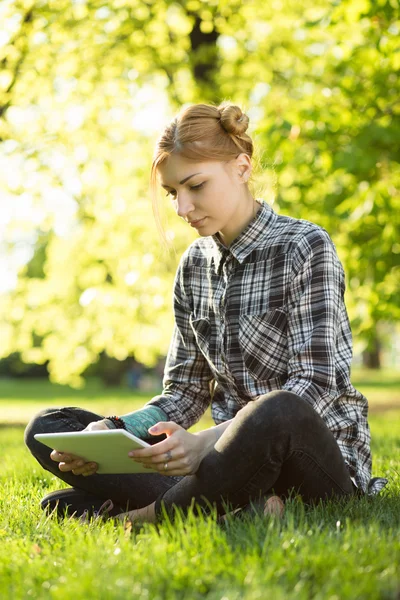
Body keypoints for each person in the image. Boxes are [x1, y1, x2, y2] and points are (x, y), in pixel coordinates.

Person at [25, 102, 387, 525]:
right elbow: (184, 393)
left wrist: (206, 443)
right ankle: (235, 508)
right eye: (173, 193)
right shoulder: (194, 267)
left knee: (276, 409)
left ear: (242, 167)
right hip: (219, 467)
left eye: (195, 185)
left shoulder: (305, 247)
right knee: (49, 426)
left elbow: (317, 386)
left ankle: (150, 515)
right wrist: (113, 428)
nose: (182, 208)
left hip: (311, 465)